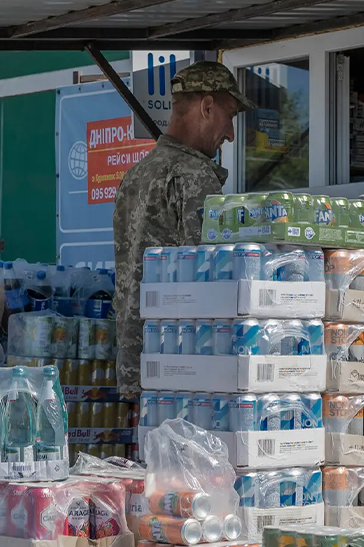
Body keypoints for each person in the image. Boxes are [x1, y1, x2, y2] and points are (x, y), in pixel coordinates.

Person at [112, 61, 256, 398]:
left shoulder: (137, 174)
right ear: (207, 107)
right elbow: (212, 277)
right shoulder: (194, 176)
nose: (231, 134)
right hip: (183, 369)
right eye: (230, 116)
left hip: (139, 363)